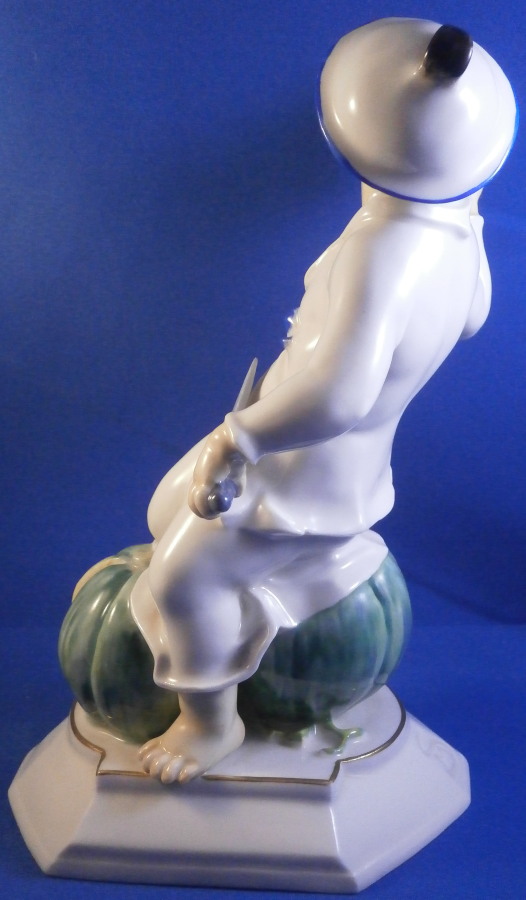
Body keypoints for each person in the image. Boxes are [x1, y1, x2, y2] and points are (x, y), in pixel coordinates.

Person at [130, 18, 516, 783]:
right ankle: (247, 599)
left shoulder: (382, 250)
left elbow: (339, 395)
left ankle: (210, 725)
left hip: (302, 466)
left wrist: (240, 439)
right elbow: (474, 316)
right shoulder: (459, 230)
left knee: (182, 580)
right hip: (331, 455)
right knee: (162, 510)